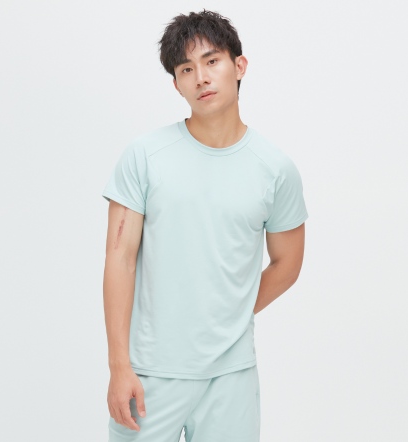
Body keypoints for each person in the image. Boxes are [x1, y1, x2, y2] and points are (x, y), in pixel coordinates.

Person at [101, 9, 308, 442]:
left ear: (239, 66)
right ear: (176, 84)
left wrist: (227, 313)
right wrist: (119, 366)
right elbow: (120, 260)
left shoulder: (275, 168)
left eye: (212, 61)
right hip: (150, 373)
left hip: (232, 376)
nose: (201, 77)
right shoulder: (144, 157)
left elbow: (287, 264)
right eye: (186, 69)